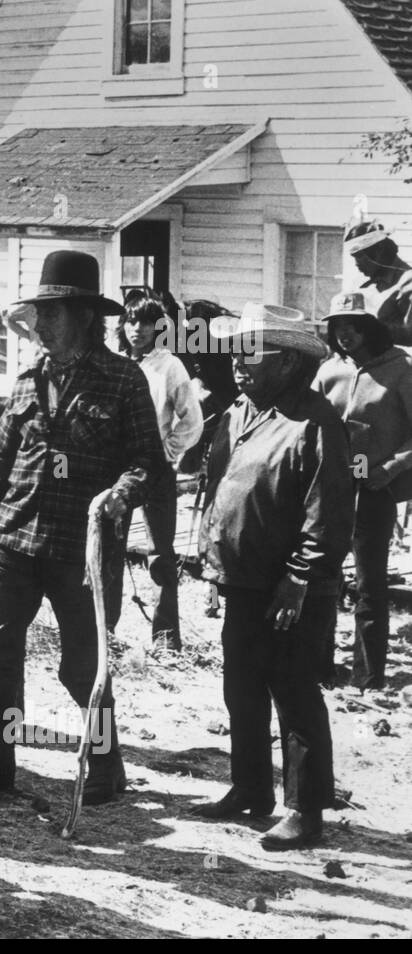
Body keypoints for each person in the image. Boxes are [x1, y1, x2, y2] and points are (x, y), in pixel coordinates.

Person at [0, 251, 165, 805]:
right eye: (38, 314)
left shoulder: (123, 379)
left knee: (84, 667)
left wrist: (118, 495)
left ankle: (105, 766)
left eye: (51, 314)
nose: (40, 326)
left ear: (84, 316)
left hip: (80, 550)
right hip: (12, 541)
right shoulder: (28, 380)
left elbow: (148, 462)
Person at [194, 303, 353, 850]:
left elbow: (327, 512)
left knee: (293, 691)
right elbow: (218, 489)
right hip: (240, 579)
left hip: (290, 587)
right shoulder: (237, 412)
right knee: (241, 687)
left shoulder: (316, 421)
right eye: (236, 352)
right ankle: (250, 787)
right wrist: (210, 560)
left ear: (286, 362)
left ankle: (306, 810)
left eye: (252, 353)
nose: (239, 364)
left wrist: (299, 577)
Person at [314, 291, 412, 692]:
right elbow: (309, 425)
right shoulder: (327, 371)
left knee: (368, 583)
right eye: (338, 327)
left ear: (369, 328)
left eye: (352, 326)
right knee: (322, 577)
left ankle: (367, 677)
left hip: (374, 489)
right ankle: (320, 668)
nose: (344, 334)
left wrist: (389, 469)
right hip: (328, 487)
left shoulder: (402, 369)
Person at [105, 291, 203, 650]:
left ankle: (165, 637)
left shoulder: (169, 366)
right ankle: (106, 632)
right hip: (118, 470)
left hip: (156, 470)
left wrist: (167, 452)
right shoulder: (113, 362)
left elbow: (192, 420)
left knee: (160, 552)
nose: (137, 329)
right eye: (131, 321)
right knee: (110, 550)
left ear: (159, 327)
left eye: (146, 322)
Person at [345, 219, 412, 348]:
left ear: (379, 251)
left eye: (360, 256)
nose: (356, 264)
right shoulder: (362, 282)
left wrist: (372, 329)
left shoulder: (407, 283)